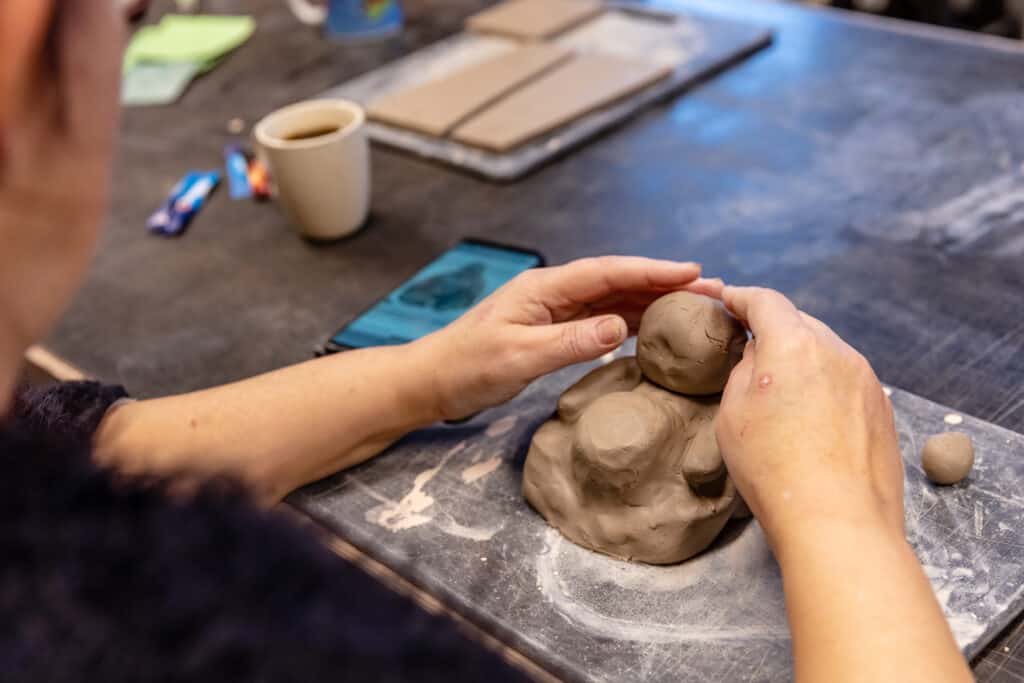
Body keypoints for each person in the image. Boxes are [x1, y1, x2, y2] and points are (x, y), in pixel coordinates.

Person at [0, 1, 973, 681]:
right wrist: (841, 520)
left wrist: (424, 377)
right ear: (25, 37)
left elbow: (85, 455)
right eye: (126, 15)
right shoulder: (244, 637)